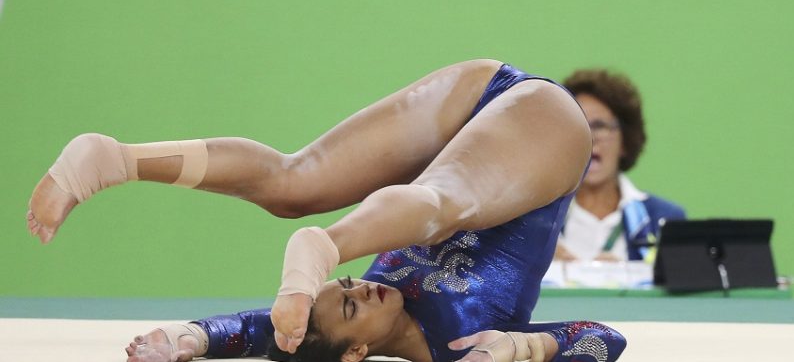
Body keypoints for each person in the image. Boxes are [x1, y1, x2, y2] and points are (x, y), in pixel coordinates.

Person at [26, 60, 627, 362]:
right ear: (356, 354)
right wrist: (525, 349)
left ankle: (117, 160)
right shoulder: (460, 348)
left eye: (345, 285)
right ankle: (117, 159)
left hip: (477, 102)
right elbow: (602, 339)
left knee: (330, 187)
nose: (361, 292)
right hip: (544, 131)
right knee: (355, 192)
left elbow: (264, 330)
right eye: (348, 304)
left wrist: (189, 339)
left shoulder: (330, 322)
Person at [553, 69, 686, 263]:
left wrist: (627, 279)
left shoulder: (664, 220)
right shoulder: (536, 221)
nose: (589, 138)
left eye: (599, 126)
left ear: (624, 142)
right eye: (578, 125)